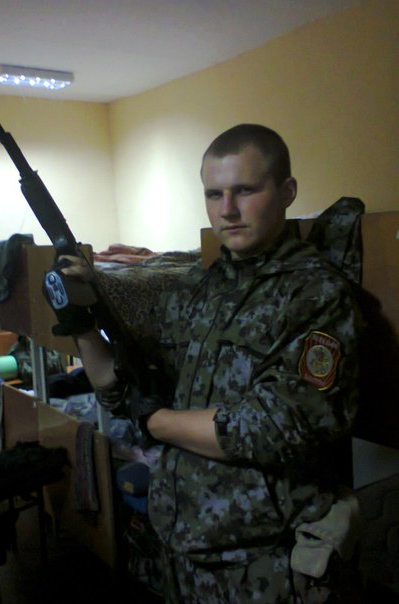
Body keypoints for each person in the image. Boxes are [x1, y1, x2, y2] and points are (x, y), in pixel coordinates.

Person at [45, 124, 361, 603]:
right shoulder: (198, 289)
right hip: (180, 546)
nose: (227, 209)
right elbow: (120, 392)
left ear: (287, 192)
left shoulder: (316, 296)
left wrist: (156, 422)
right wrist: (83, 327)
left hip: (262, 563)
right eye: (214, 194)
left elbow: (276, 427)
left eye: (245, 190)